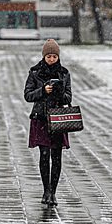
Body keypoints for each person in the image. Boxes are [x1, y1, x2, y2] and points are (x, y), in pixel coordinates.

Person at [24, 39, 72, 207]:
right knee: (44, 155)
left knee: (57, 157)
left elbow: (69, 97)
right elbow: (28, 95)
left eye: (54, 56)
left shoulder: (64, 73)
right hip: (41, 118)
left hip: (58, 119)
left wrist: (59, 93)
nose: (52, 59)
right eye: (49, 56)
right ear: (44, 56)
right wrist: (43, 91)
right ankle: (46, 190)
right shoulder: (35, 72)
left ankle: (53, 192)